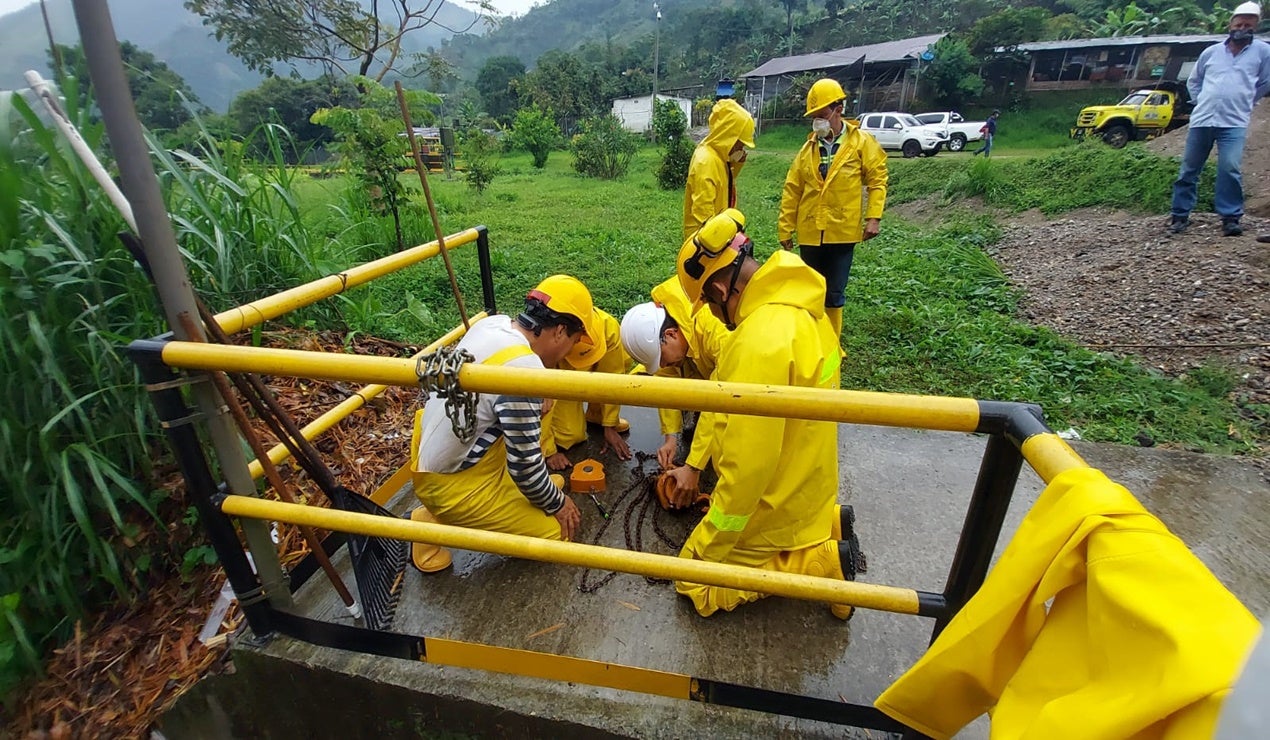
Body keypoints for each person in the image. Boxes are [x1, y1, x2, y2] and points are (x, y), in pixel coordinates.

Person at [672, 208, 861, 618]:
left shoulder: (757, 344)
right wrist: (693, 463)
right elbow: (720, 402)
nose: (709, 310)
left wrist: (706, 547)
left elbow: (746, 472)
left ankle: (817, 564)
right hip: (808, 487)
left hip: (772, 507)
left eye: (706, 300)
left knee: (693, 586)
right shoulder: (801, 308)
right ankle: (825, 528)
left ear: (720, 291)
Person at [408, 275, 588, 571]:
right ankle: (429, 522)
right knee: (556, 534)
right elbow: (525, 467)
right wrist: (558, 504)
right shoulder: (524, 372)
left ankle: (526, 498)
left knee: (544, 487)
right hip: (454, 487)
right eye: (574, 340)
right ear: (558, 331)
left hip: (438, 457)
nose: (570, 352)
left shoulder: (493, 325)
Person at [777, 77, 888, 338]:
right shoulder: (807, 150)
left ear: (839, 109)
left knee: (834, 291)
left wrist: (874, 218)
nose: (818, 120)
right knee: (811, 288)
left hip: (842, 231)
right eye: (814, 116)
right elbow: (792, 190)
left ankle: (832, 343)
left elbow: (877, 179)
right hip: (810, 232)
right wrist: (785, 228)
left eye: (822, 114)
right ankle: (812, 339)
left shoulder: (861, 143)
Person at [620, 276, 730, 495]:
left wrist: (693, 467)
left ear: (670, 334)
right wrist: (671, 437)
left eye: (663, 359)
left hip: (756, 383)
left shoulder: (716, 331)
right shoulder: (674, 324)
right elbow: (667, 378)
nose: (664, 365)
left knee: (727, 446)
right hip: (715, 369)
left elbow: (720, 399)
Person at [1169, 1, 1270, 237]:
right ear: (1230, 24)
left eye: (1248, 24)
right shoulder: (1211, 52)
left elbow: (1264, 83)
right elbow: (1194, 81)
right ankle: (1179, 216)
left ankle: (1231, 217)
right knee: (1188, 170)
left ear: (1256, 25)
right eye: (1239, 23)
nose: (1242, 27)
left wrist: (1247, 102)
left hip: (1234, 121)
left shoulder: (1263, 52)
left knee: (1230, 168)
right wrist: (1202, 100)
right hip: (1203, 120)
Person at [539, 296, 633, 471]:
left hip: (581, 369)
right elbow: (544, 400)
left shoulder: (608, 328)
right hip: (562, 377)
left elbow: (613, 377)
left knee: (623, 358)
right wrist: (548, 449)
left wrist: (609, 424)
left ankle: (597, 415)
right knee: (571, 436)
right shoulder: (549, 347)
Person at [683, 98, 755, 240]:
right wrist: (718, 240)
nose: (741, 149)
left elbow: (725, 186)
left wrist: (737, 163)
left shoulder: (719, 157)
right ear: (728, 137)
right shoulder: (706, 161)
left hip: (717, 233)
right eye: (740, 145)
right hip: (705, 241)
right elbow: (703, 211)